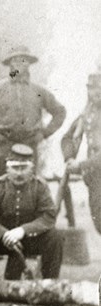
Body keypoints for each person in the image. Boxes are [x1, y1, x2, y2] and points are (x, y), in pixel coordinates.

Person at [0, 45, 66, 179]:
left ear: (29, 63)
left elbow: (60, 112)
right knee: (1, 189)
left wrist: (44, 134)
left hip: (29, 146)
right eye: (15, 60)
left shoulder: (39, 92)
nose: (19, 64)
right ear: (9, 63)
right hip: (4, 147)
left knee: (29, 190)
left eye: (23, 60)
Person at [0, 144, 63, 280]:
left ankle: (50, 284)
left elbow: (48, 216)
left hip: (31, 239)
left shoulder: (40, 187)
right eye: (15, 168)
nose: (19, 173)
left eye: (23, 168)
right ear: (7, 169)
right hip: (2, 240)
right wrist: (3, 233)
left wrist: (23, 230)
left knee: (54, 237)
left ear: (31, 169)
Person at [61, 71, 101, 234]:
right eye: (92, 88)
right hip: (95, 175)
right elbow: (67, 138)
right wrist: (70, 158)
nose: (97, 92)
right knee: (98, 219)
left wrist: (81, 164)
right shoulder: (87, 115)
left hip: (93, 166)